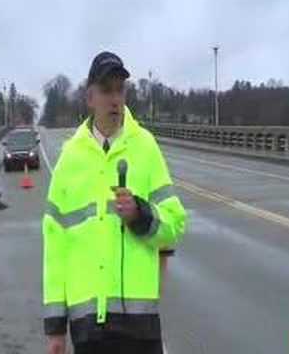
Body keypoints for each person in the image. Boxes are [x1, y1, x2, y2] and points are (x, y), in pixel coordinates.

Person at [42, 51, 187, 354]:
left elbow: (174, 225)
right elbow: (55, 246)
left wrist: (141, 215)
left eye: (120, 89)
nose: (115, 99)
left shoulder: (145, 147)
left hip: (139, 327)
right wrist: (55, 327)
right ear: (90, 97)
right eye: (106, 90)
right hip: (88, 328)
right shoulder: (70, 158)